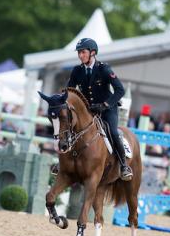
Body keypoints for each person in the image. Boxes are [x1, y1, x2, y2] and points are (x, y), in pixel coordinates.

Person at [55, 37, 133, 181]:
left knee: (113, 132)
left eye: (83, 52)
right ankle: (62, 163)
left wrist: (105, 105)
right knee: (70, 129)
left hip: (107, 109)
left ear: (93, 53)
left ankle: (123, 165)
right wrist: (60, 99)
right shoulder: (77, 70)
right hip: (88, 110)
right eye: (79, 53)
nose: (80, 55)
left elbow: (119, 90)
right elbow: (69, 90)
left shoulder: (104, 69)